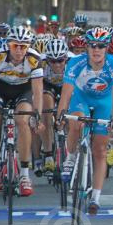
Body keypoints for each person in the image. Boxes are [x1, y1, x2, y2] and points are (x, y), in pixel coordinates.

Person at [57, 27, 113, 214]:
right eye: (92, 45)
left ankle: (95, 197)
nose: (96, 50)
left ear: (107, 48)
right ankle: (70, 157)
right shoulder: (75, 63)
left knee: (100, 150)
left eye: (101, 46)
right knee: (76, 123)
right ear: (87, 47)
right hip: (82, 99)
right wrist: (60, 115)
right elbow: (67, 93)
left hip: (104, 102)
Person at [0, 26, 44, 197]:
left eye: (24, 46)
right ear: (8, 45)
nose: (20, 50)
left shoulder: (34, 59)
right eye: (16, 46)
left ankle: (24, 174)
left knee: (23, 121)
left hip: (23, 91)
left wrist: (38, 117)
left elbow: (37, 92)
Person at [39, 38, 71, 173]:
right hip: (48, 85)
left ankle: (70, 151)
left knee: (69, 115)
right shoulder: (40, 63)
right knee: (46, 114)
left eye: (60, 61)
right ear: (47, 60)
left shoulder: (73, 62)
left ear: (66, 58)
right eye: (52, 61)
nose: (57, 65)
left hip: (66, 85)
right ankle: (48, 156)